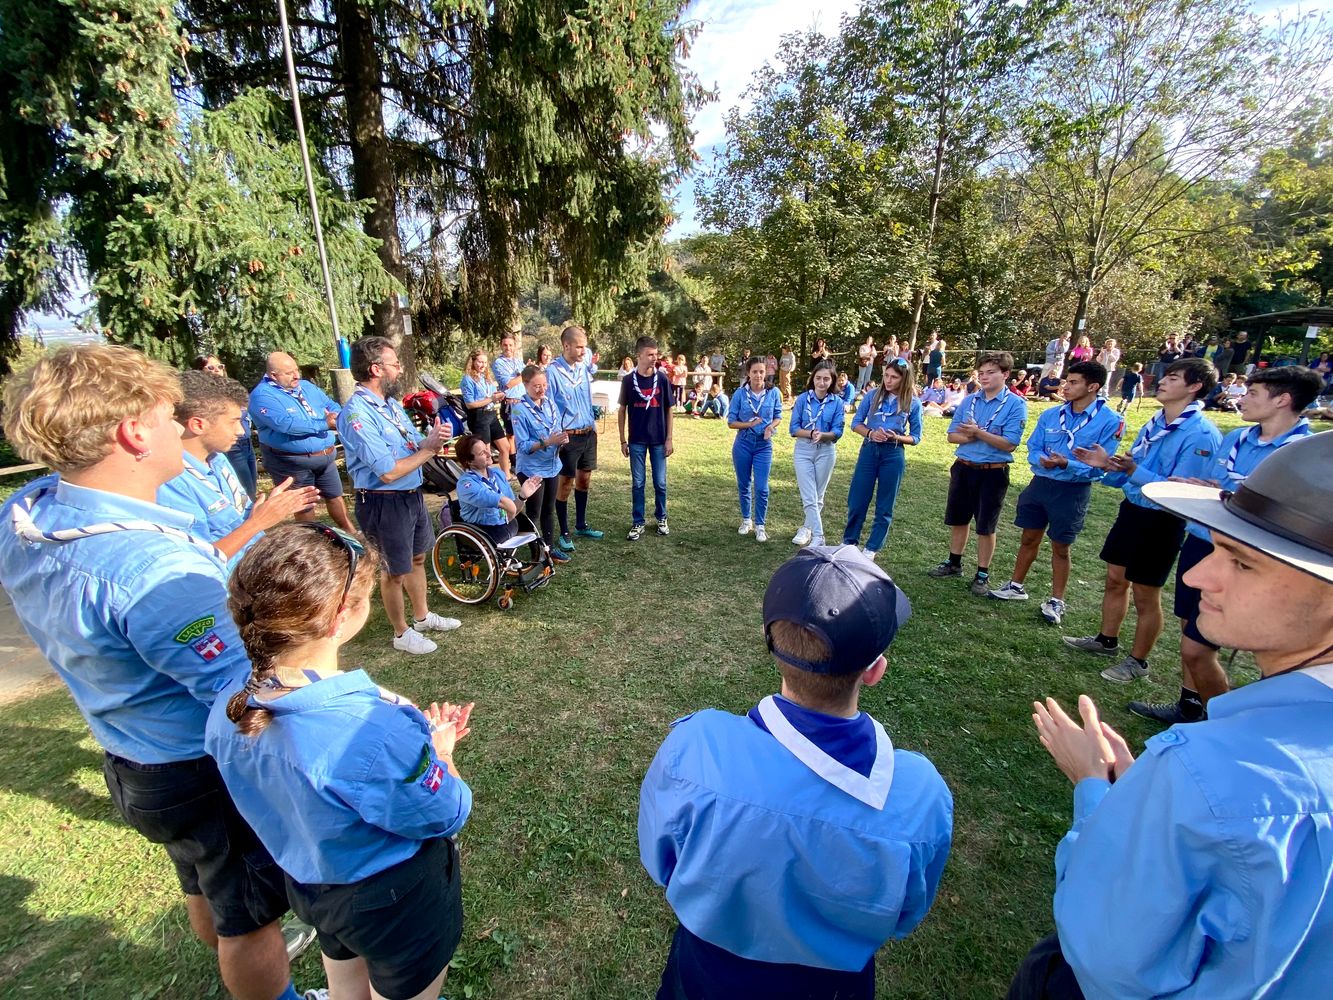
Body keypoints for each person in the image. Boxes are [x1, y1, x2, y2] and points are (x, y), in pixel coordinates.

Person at [0, 345, 299, 1000]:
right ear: (134, 432)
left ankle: (222, 938)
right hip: (200, 767)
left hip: (132, 759)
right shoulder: (157, 572)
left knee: (201, 878)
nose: (180, 426)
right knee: (250, 918)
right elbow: (248, 691)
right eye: (169, 416)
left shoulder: (27, 512)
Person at [1009, 430, 1333, 1000]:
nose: (1198, 575)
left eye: (1243, 563)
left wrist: (1096, 790)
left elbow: (1108, 954)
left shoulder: (1209, 771)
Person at [639, 546, 953, 1000]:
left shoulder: (696, 748)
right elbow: (906, 913)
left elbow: (660, 860)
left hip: (704, 974)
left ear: (772, 646)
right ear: (875, 671)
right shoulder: (920, 795)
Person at [206, 525, 473, 1000]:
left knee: (345, 978)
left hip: (313, 885)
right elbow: (445, 811)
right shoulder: (372, 729)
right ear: (338, 619)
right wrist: (442, 753)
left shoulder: (226, 708)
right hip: (394, 899)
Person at [1127, 365, 1321, 727]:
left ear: (1282, 400)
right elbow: (1222, 485)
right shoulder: (1237, 439)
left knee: (1205, 648)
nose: (1241, 399)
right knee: (1192, 629)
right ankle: (1190, 704)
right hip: (1205, 541)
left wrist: (1220, 489)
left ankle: (1225, 724)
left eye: (1252, 394)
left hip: (1259, 559)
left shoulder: (1304, 456)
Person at [1062, 357, 1221, 683]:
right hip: (1133, 510)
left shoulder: (1201, 434)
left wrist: (1133, 471)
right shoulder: (1155, 423)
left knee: (1146, 594)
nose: (1162, 381)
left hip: (1163, 520)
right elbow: (1132, 469)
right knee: (1115, 579)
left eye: (1173, 378)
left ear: (1194, 386)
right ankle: (1106, 640)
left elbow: (1180, 491)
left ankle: (1138, 661)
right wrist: (1108, 466)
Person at [336, 337, 461, 656]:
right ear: (376, 369)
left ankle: (421, 617)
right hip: (383, 501)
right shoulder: (356, 414)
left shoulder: (390, 405)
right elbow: (387, 471)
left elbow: (412, 445)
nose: (400, 369)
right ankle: (400, 632)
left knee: (417, 558)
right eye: (395, 364)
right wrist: (429, 450)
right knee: (393, 571)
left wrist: (431, 439)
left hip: (410, 495)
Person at [987, 362, 1124, 626]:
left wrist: (1067, 464)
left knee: (1061, 547)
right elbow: (1033, 446)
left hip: (1071, 490)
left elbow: (1101, 467)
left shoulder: (1110, 422)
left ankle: (1056, 599)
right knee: (1028, 538)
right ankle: (1016, 586)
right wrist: (1042, 460)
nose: (1066, 386)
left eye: (1073, 382)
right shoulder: (1051, 415)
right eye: (1067, 381)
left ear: (1092, 386)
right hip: (1040, 484)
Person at [159, 371, 318, 563]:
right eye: (233, 422)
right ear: (198, 425)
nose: (241, 431)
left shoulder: (218, 458)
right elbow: (199, 561)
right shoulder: (170, 483)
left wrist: (265, 511)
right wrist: (258, 522)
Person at [928, 351, 1029, 595]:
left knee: (986, 524)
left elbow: (1009, 443)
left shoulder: (1016, 405)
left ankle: (982, 573)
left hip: (992, 472)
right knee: (959, 518)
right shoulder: (969, 400)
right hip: (964, 467)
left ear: (1005, 374)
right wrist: (978, 435)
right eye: (981, 373)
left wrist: (977, 433)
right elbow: (952, 436)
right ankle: (954, 562)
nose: (984, 377)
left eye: (990, 372)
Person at [248, 352, 355, 534]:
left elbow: (330, 404)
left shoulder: (306, 387)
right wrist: (324, 424)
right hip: (292, 462)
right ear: (274, 375)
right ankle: (311, 540)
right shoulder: (261, 396)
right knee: (305, 505)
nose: (297, 375)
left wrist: (337, 415)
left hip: (325, 456)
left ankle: (350, 531)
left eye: (296, 370)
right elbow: (287, 425)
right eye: (289, 373)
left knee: (335, 495)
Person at [843, 359, 922, 560]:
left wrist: (896, 437)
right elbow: (856, 423)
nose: (888, 380)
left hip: (893, 453)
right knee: (857, 499)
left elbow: (916, 437)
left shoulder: (912, 402)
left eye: (894, 377)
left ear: (904, 379)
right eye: (886, 375)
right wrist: (870, 433)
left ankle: (872, 548)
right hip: (869, 450)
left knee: (885, 503)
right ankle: (849, 541)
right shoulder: (872, 396)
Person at [545, 324, 604, 551]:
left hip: (588, 433)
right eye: (579, 347)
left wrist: (593, 422)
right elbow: (549, 406)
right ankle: (565, 531)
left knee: (584, 480)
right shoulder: (552, 372)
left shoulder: (582, 368)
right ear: (566, 345)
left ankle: (581, 524)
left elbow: (587, 397)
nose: (583, 352)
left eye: (585, 347)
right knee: (566, 483)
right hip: (568, 437)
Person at [510, 364, 571, 564]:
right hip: (531, 469)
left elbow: (555, 429)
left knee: (549, 509)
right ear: (526, 385)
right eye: (537, 386)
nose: (542, 389)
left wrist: (561, 440)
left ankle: (549, 549)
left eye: (544, 385)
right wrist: (547, 442)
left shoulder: (550, 404)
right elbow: (523, 446)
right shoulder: (519, 410)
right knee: (534, 512)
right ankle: (537, 553)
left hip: (552, 466)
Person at [619, 336, 674, 541]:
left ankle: (661, 517)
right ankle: (638, 522)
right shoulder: (628, 380)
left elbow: (669, 409)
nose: (654, 358)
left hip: (659, 439)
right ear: (639, 355)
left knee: (660, 482)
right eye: (650, 354)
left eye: (656, 354)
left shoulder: (662, 379)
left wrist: (669, 438)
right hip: (637, 440)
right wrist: (623, 440)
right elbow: (622, 410)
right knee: (638, 483)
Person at [787, 360, 845, 547]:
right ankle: (819, 536)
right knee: (809, 495)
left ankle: (807, 528)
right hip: (804, 449)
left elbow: (838, 431)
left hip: (826, 450)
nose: (821, 382)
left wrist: (824, 435)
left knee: (818, 496)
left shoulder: (837, 402)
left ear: (832, 380)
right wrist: (811, 433)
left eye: (826, 379)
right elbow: (794, 428)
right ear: (813, 379)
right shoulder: (803, 399)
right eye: (818, 378)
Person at [454, 434, 543, 554]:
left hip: (504, 523)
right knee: (511, 525)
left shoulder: (497, 473)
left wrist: (523, 496)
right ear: (469, 461)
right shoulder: (467, 484)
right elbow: (504, 503)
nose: (489, 454)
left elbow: (513, 508)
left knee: (520, 523)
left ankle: (539, 554)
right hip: (481, 529)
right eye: (482, 453)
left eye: (487, 449)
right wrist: (511, 515)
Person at [727, 356, 783, 543]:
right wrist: (747, 424)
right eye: (754, 372)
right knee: (744, 484)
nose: (758, 375)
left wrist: (770, 427)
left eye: (761, 371)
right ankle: (746, 520)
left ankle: (760, 524)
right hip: (743, 443)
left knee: (762, 487)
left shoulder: (774, 392)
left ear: (766, 372)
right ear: (748, 374)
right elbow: (731, 422)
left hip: (763, 445)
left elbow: (778, 415)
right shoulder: (739, 394)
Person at [193, 354, 258, 498]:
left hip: (245, 442)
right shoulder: (201, 396)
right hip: (229, 445)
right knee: (243, 487)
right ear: (199, 371)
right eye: (210, 367)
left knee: (252, 485)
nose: (216, 370)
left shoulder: (231, 390)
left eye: (220, 366)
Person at [460, 348, 512, 476]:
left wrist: (498, 396)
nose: (482, 365)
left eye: (485, 362)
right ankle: (487, 479)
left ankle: (507, 476)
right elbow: (470, 404)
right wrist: (490, 399)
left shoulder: (485, 377)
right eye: (480, 362)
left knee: (505, 447)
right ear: (472, 362)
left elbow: (491, 395)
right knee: (485, 452)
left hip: (491, 415)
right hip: (479, 417)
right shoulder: (468, 380)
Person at [492, 334, 526, 443]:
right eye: (505, 345)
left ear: (514, 346)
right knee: (512, 435)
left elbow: (527, 379)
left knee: (524, 432)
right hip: (511, 404)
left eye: (511, 345)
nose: (508, 348)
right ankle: (514, 460)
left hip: (523, 401)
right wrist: (525, 374)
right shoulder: (499, 363)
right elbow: (509, 383)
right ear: (501, 346)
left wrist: (526, 372)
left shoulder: (519, 361)